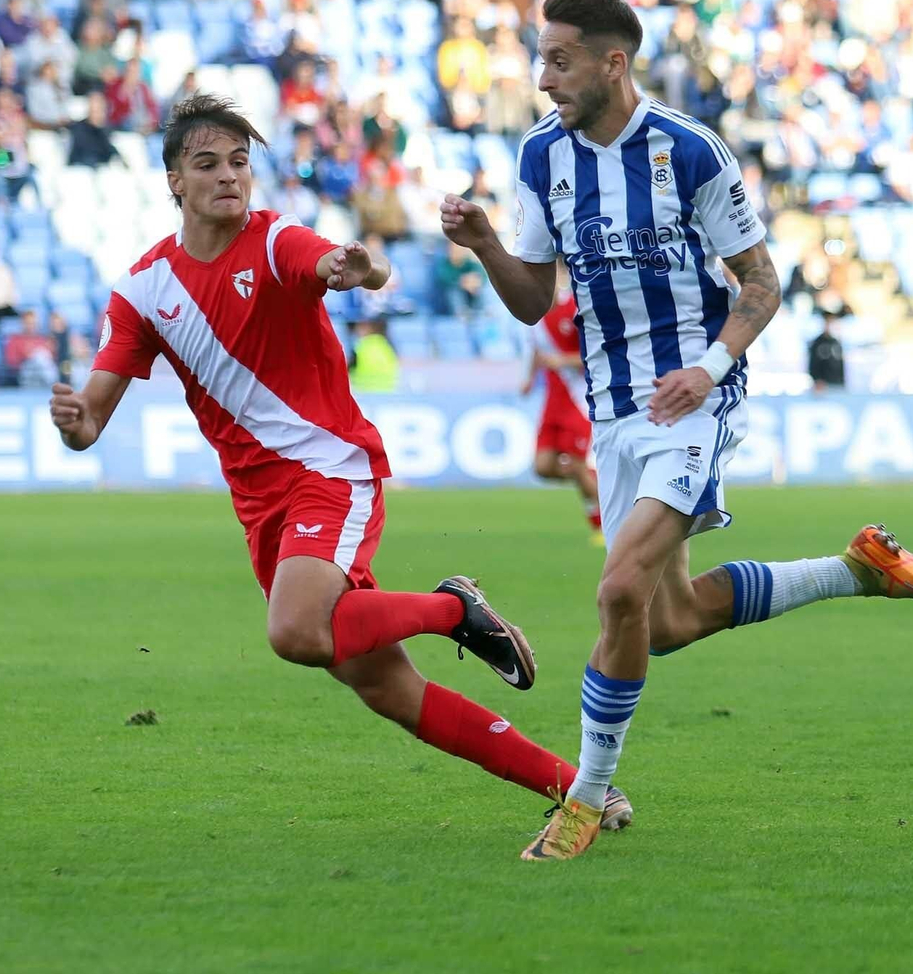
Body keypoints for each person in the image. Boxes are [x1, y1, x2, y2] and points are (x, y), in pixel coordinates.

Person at [441, 0, 913, 862]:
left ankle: (585, 800)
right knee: (666, 617)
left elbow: (761, 281)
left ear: (615, 62)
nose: (542, 77)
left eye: (560, 59)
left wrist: (709, 368)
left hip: (697, 398)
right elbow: (533, 301)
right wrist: (488, 242)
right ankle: (857, 569)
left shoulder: (689, 151)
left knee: (616, 593)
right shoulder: (540, 158)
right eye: (541, 56)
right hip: (613, 410)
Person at [50, 93, 632, 845]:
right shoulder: (143, 290)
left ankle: (455, 609)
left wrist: (355, 267)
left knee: (295, 630)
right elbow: (91, 421)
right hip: (262, 507)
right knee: (388, 689)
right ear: (173, 181)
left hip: (330, 468)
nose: (229, 176)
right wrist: (73, 422)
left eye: (239, 162)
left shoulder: (275, 241)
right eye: (207, 164)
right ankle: (579, 788)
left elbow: (340, 261)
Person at [524, 265, 602, 544]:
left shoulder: (576, 308)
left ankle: (601, 527)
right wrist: (529, 378)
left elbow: (596, 356)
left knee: (578, 466)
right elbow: (537, 350)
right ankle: (595, 478)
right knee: (542, 467)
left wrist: (564, 361)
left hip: (577, 400)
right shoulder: (535, 313)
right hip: (552, 401)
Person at [808, 311, 846, 390]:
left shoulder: (836, 342)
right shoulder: (817, 342)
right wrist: (817, 379)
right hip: (823, 386)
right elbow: (813, 363)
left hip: (837, 384)